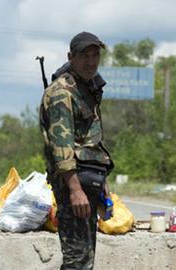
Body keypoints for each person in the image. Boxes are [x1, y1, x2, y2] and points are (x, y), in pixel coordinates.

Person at [39, 31, 113, 270]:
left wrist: (104, 185)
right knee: (77, 259)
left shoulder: (86, 89)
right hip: (74, 184)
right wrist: (75, 190)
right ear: (71, 57)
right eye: (85, 56)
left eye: (95, 55)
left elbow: (92, 142)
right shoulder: (63, 92)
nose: (91, 62)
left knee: (84, 258)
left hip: (88, 182)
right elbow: (62, 147)